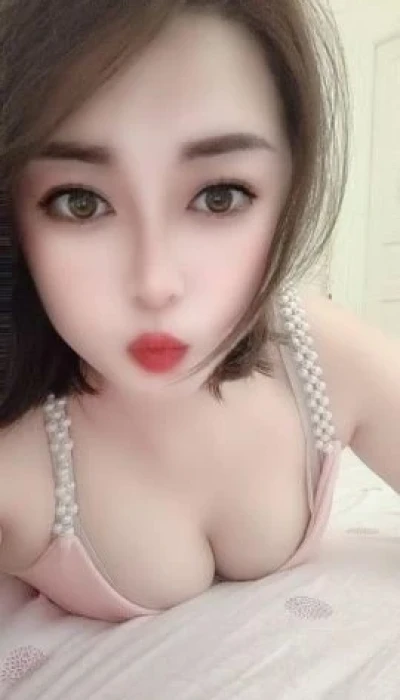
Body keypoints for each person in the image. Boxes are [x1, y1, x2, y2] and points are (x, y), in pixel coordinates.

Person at [0, 0, 398, 623]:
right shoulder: (21, 463)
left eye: (219, 196)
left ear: (289, 188)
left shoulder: (320, 357)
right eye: (80, 202)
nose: (155, 284)